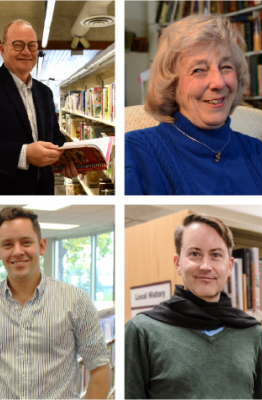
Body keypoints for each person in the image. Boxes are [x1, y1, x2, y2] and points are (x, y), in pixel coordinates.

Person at [125, 14, 262, 195]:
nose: (218, 82)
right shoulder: (137, 151)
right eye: (199, 70)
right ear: (171, 86)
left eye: (226, 67)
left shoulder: (259, 153)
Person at [125, 213, 262, 399]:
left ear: (229, 266)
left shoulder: (252, 333)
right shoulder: (142, 331)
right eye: (195, 254)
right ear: (178, 263)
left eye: (215, 255)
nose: (206, 266)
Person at [0, 207, 111, 399]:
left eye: (26, 242)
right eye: (7, 245)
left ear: (42, 246)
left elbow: (99, 368)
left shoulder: (75, 300)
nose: (17, 252)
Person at [0, 20, 78, 195]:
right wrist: (25, 154)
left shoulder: (45, 92)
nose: (26, 51)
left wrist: (66, 160)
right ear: (3, 49)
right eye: (18, 45)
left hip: (44, 187)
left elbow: (55, 135)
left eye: (32, 45)